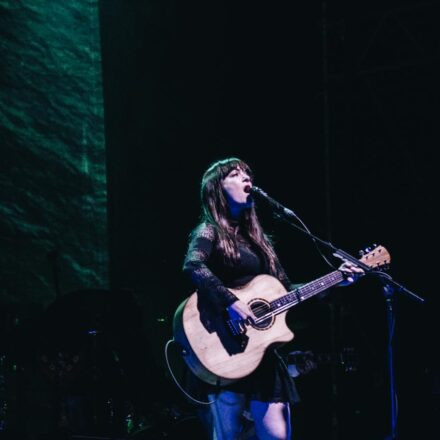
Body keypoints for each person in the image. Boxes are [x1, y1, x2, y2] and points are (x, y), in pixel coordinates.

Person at [182, 157, 363, 440]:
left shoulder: (260, 241)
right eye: (235, 173)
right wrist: (231, 302)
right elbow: (194, 266)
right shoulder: (210, 231)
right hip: (223, 347)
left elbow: (287, 291)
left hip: (262, 356)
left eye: (247, 173)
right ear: (217, 187)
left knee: (278, 436)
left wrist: (338, 280)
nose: (245, 177)